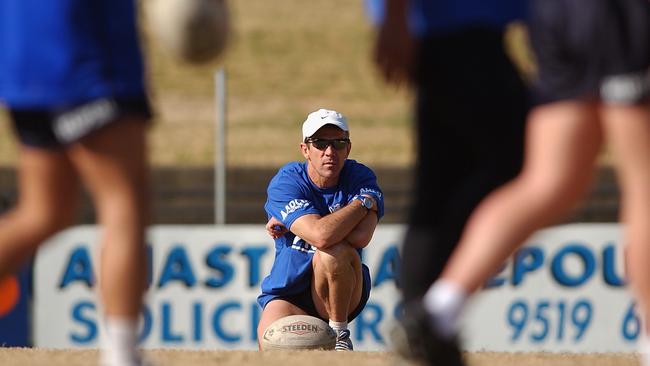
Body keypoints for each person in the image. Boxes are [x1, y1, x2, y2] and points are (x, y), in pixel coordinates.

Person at [387, 0, 650, 365]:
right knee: (643, 184)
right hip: (621, 13)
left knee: (550, 182)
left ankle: (438, 310)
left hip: (558, 12)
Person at [372, 0, 528, 364]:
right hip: (459, 33)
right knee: (525, 165)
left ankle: (425, 325)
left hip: (461, 35)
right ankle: (428, 319)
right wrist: (395, 18)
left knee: (440, 185)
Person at [0, 1, 152, 365]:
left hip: (24, 53)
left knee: (43, 212)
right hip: (84, 49)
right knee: (124, 203)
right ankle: (121, 353)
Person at [257, 108, 384, 351]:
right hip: (289, 289)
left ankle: (339, 334)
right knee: (271, 345)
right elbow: (321, 235)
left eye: (338, 143)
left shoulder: (360, 176)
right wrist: (362, 204)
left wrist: (304, 223)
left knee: (331, 251)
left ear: (348, 148)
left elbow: (360, 236)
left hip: (339, 290)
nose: (329, 152)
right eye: (320, 143)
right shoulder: (288, 180)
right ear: (305, 149)